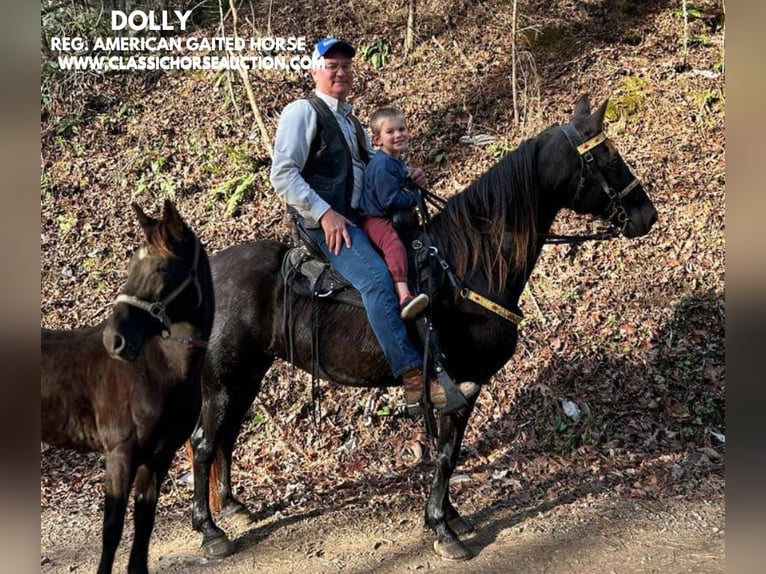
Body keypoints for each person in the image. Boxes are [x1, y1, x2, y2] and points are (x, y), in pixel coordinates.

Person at [270, 36, 478, 413]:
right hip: (328, 223)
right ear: (315, 69)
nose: (341, 71)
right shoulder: (303, 112)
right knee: (379, 281)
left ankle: (442, 364)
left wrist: (403, 173)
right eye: (331, 64)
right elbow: (282, 174)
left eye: (346, 65)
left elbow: (368, 170)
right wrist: (324, 212)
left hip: (358, 216)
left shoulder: (350, 121)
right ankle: (414, 380)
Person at [359, 107, 429, 321]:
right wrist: (414, 196)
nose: (398, 135)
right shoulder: (382, 165)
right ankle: (404, 294)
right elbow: (389, 201)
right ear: (377, 140)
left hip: (386, 214)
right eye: (390, 132)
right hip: (375, 218)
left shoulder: (394, 160)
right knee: (394, 245)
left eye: (402, 129)